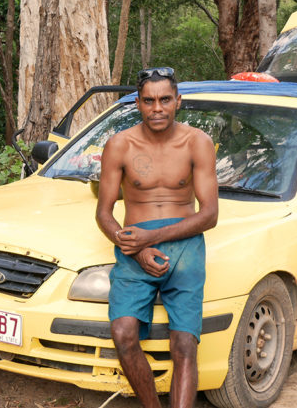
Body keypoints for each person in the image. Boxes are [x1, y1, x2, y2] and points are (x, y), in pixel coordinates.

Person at [95, 67, 219, 408]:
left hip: (185, 246)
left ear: (178, 101)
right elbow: (104, 213)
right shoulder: (119, 145)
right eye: (149, 101)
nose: (157, 108)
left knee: (184, 344)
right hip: (134, 248)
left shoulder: (197, 142)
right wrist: (136, 249)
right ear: (138, 103)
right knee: (123, 333)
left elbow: (209, 214)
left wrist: (151, 237)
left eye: (165, 99)